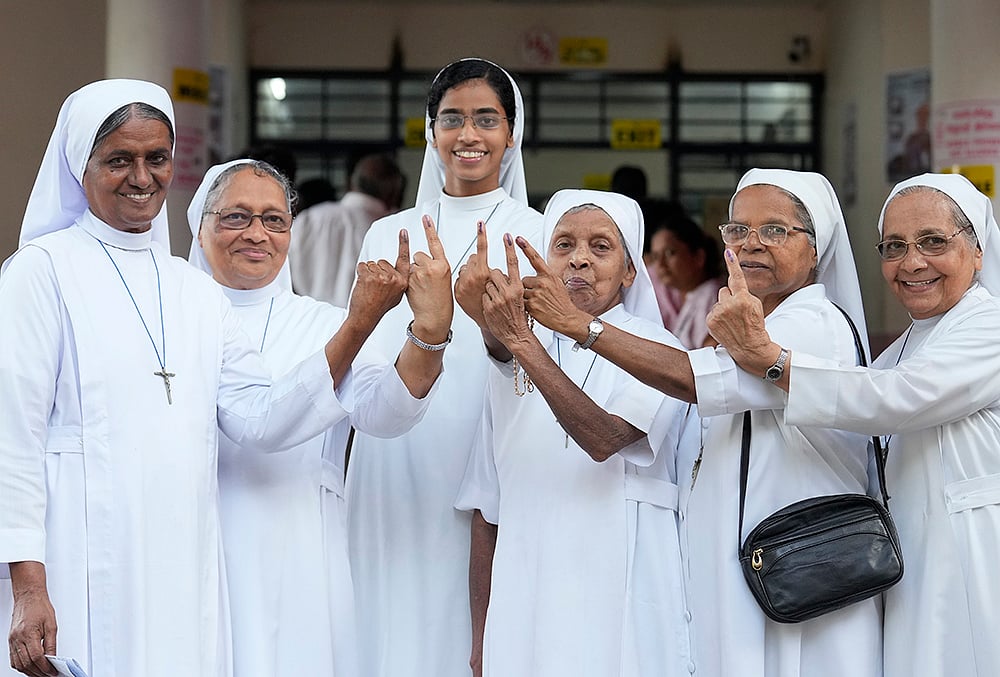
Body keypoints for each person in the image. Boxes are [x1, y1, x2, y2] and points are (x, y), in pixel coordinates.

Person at [0, 79, 404, 677]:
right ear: (78, 165)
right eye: (119, 160)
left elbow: (262, 418)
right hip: (77, 547)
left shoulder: (194, 291)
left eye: (156, 158)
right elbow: (14, 439)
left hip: (181, 552)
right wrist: (27, 587)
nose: (142, 177)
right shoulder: (40, 271)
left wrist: (360, 327)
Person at [516, 169, 881, 677]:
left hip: (799, 569)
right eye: (738, 230)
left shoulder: (811, 323)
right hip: (748, 575)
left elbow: (692, 379)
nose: (752, 245)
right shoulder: (752, 324)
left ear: (816, 248)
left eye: (775, 230)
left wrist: (581, 326)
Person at [707, 172, 1000, 677]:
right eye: (894, 246)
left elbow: (895, 400)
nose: (912, 263)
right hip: (911, 565)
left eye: (933, 242)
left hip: (974, 556)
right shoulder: (905, 347)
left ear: (977, 250)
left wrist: (771, 360)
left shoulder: (988, 326)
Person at [186, 159, 453, 677]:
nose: (257, 233)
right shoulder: (172, 316)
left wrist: (431, 329)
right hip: (194, 537)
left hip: (297, 541)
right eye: (236, 217)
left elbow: (388, 413)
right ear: (201, 226)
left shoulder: (321, 323)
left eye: (274, 219)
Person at [345, 58, 543, 677]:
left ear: (511, 133)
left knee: (471, 627)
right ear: (430, 132)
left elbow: (539, 366)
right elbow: (363, 359)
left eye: (487, 119)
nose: (469, 136)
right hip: (395, 457)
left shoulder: (535, 233)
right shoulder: (389, 234)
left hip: (485, 449)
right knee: (389, 623)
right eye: (452, 119)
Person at [455, 190, 693, 677]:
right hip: (525, 601)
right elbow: (487, 507)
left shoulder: (655, 348)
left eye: (601, 247)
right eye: (562, 245)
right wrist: (481, 635)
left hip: (621, 591)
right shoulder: (512, 359)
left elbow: (604, 440)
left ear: (630, 271)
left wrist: (521, 341)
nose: (579, 258)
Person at [290, 153, 406, 306]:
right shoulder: (392, 231)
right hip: (367, 326)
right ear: (393, 193)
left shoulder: (308, 219)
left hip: (308, 321)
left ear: (351, 183)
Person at [645, 200, 723, 347]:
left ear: (698, 257)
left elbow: (709, 354)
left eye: (670, 253)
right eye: (655, 257)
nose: (660, 264)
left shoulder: (711, 296)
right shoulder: (690, 296)